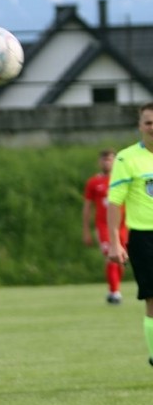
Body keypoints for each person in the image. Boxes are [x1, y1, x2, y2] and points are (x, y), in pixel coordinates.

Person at [107, 102, 153, 368]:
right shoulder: (126, 159)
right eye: (148, 122)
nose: (152, 127)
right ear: (140, 126)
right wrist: (115, 242)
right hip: (144, 239)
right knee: (152, 300)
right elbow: (115, 202)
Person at [83, 149, 128, 304]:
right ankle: (115, 292)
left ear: (115, 161)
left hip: (123, 225)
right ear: (99, 162)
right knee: (111, 255)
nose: (107, 162)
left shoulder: (123, 180)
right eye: (104, 159)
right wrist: (86, 230)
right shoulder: (94, 182)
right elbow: (88, 207)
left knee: (121, 259)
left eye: (110, 159)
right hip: (104, 226)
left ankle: (114, 288)